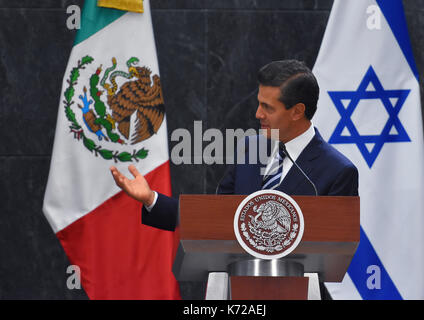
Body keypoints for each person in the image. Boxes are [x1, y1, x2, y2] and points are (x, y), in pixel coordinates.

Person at [110, 59, 358, 232]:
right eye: (259, 103)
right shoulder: (251, 148)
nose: (257, 114)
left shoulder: (337, 171)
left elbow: (334, 247)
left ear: (297, 111)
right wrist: (151, 199)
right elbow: (216, 218)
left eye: (268, 107)